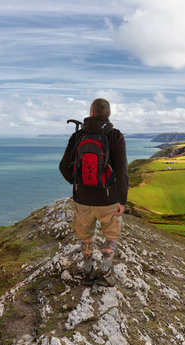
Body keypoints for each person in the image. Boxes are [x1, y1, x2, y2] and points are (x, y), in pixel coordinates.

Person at [59, 98, 128, 287]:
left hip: (82, 199)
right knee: (111, 236)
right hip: (109, 199)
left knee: (86, 236)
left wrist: (78, 183)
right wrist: (122, 200)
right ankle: (105, 272)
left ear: (91, 113)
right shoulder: (115, 136)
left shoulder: (77, 136)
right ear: (109, 114)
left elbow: (63, 167)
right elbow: (122, 171)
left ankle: (87, 271)